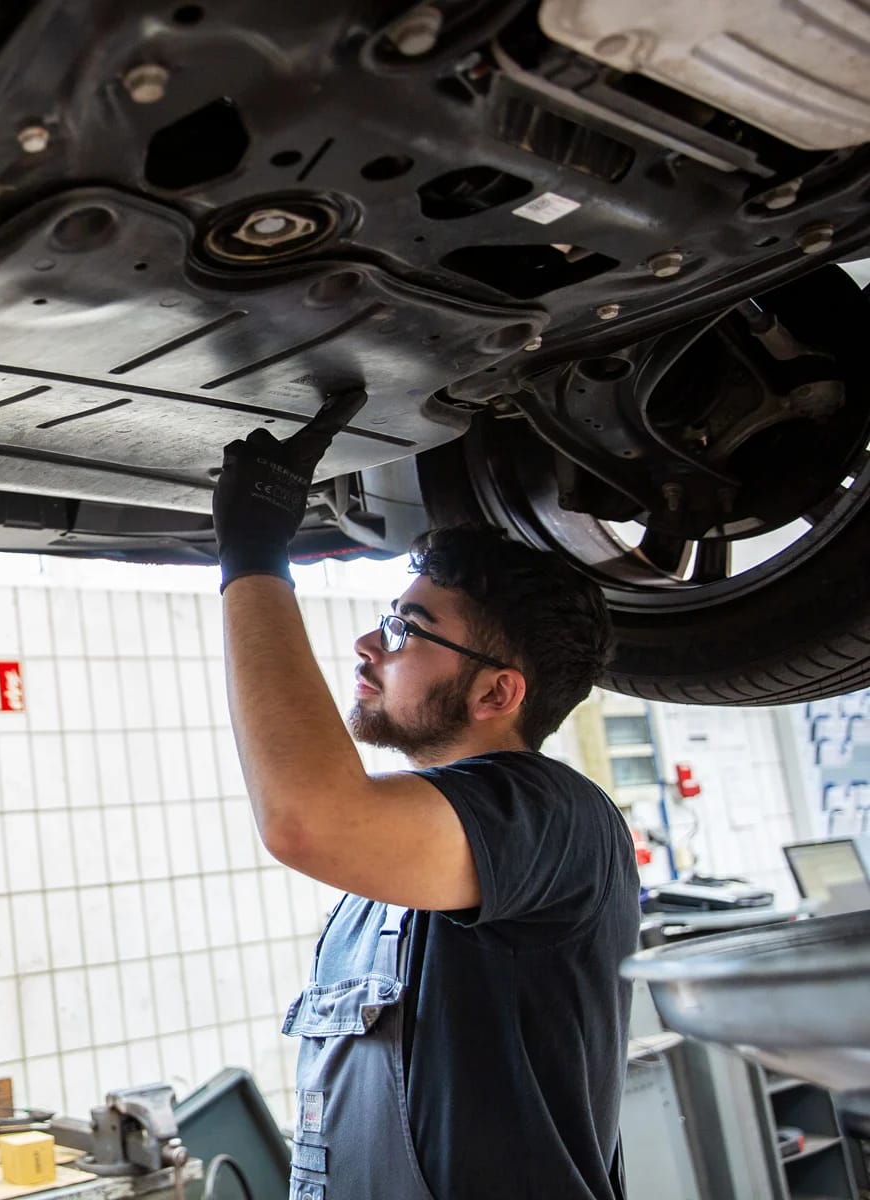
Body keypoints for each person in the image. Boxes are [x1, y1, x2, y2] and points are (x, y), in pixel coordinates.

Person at [210, 394, 639, 1200]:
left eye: (406, 629)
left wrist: (255, 553)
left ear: (496, 693)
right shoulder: (390, 874)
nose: (367, 645)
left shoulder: (556, 817)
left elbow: (308, 818)